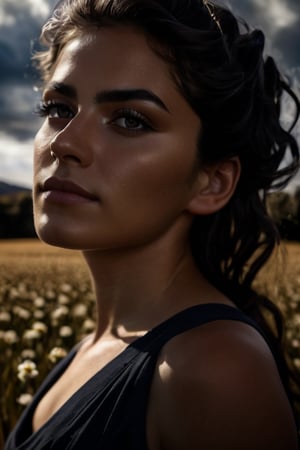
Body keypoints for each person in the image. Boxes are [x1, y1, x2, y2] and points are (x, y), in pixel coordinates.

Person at [5, 0, 300, 448]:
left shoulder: (214, 367)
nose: (64, 144)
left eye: (130, 120)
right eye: (58, 108)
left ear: (211, 182)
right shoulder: (101, 348)